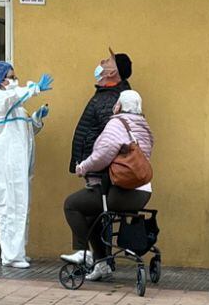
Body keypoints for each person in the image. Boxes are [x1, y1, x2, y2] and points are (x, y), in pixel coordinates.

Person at [62, 90, 154, 281]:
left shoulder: (117, 123)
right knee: (92, 216)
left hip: (119, 193)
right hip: (142, 193)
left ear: (118, 105)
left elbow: (103, 154)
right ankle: (101, 264)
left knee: (71, 204)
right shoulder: (143, 126)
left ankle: (82, 252)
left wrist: (82, 167)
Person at [0, 61, 53, 268]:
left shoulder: (17, 108)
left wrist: (36, 119)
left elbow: (27, 133)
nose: (15, 80)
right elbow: (11, 98)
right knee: (9, 208)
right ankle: (11, 256)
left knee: (21, 206)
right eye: (11, 76)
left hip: (18, 164)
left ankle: (19, 251)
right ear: (0, 80)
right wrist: (34, 88)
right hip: (5, 163)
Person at [69, 48, 132, 176]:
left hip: (100, 173)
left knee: (77, 198)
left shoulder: (109, 99)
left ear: (112, 72)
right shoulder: (107, 94)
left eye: (108, 61)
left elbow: (110, 142)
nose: (102, 61)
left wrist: (89, 164)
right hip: (96, 168)